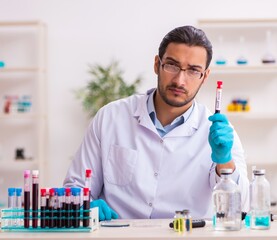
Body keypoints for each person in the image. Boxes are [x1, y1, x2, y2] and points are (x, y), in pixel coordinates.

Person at [63, 25, 249, 221]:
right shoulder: (110, 117)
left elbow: (242, 207)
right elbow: (75, 187)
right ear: (156, 64)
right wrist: (83, 204)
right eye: (172, 65)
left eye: (193, 71)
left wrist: (224, 161)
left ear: (205, 76)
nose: (180, 80)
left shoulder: (218, 133)